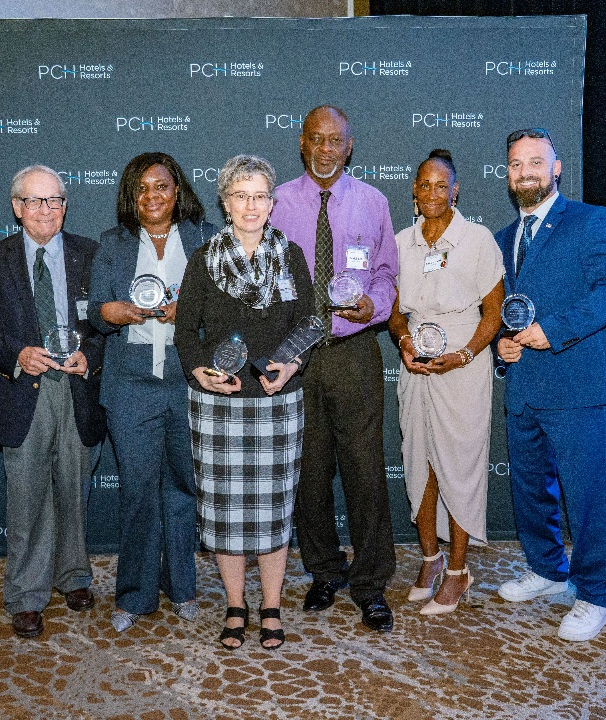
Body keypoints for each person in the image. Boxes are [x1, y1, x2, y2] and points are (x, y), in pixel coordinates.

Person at [494, 128, 606, 642]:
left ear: (556, 169)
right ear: (508, 175)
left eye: (535, 162)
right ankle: (548, 570)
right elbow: (506, 315)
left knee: (586, 494)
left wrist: (552, 330)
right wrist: (503, 347)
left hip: (578, 384)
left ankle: (595, 591)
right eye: (515, 164)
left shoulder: (591, 220)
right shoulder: (503, 238)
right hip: (525, 386)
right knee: (530, 489)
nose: (525, 171)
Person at [174, 154, 315, 650]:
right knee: (225, 512)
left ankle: (271, 607)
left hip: (278, 399)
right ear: (225, 203)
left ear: (273, 204)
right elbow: (185, 331)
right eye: (240, 195)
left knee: (275, 509)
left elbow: (311, 322)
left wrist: (290, 363)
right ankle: (237, 605)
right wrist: (200, 373)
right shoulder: (203, 259)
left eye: (259, 196)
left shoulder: (291, 255)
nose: (250, 205)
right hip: (219, 403)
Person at [272, 105, 399, 633]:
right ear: (303, 143)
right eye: (317, 140)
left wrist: (375, 306)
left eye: (336, 141)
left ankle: (371, 585)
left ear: (350, 146)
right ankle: (324, 570)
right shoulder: (276, 201)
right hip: (298, 355)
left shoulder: (373, 203)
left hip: (352, 353)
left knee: (366, 472)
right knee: (309, 473)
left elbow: (388, 275)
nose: (326, 150)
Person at [0, 165, 106, 639]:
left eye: (54, 201)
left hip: (78, 389)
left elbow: (110, 322)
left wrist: (91, 357)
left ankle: (74, 577)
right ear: (16, 207)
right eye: (33, 201)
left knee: (74, 490)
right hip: (22, 389)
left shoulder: (93, 254)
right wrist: (16, 355)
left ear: (65, 206)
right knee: (25, 500)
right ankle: (26, 595)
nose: (44, 210)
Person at [89, 152, 216, 633]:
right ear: (131, 196)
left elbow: (224, 310)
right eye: (141, 189)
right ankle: (133, 595)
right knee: (138, 490)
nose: (151, 197)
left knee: (184, 488)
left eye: (161, 186)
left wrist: (190, 310)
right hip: (131, 386)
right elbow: (96, 311)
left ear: (177, 190)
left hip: (189, 381)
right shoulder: (113, 245)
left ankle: (182, 586)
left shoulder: (205, 239)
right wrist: (115, 312)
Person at [388, 149, 504, 616]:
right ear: (414, 192)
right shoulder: (399, 243)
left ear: (455, 191)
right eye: (425, 185)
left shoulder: (477, 240)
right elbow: (395, 313)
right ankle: (431, 560)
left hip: (464, 361)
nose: (433, 193)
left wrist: (465, 354)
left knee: (459, 466)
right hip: (417, 362)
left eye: (443, 186)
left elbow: (494, 313)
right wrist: (403, 343)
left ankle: (458, 570)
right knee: (420, 463)